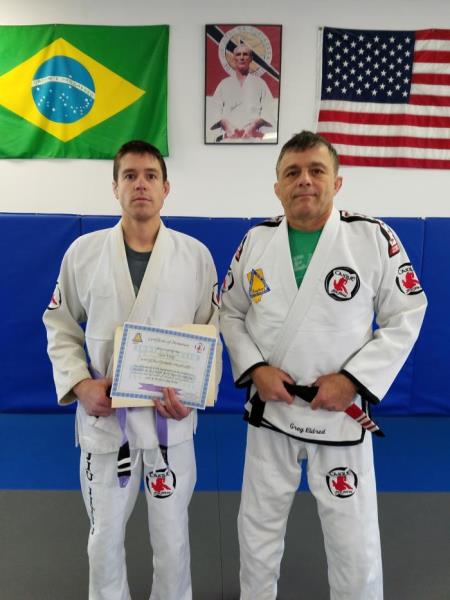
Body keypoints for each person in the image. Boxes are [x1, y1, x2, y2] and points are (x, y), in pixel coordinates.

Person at [219, 131, 427, 599]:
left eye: (316, 170)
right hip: (272, 410)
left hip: (339, 413)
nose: (305, 181)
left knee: (352, 535)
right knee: (257, 527)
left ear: (337, 182)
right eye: (292, 172)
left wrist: (353, 380)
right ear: (277, 187)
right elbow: (229, 312)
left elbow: (408, 312)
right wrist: (256, 369)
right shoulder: (256, 241)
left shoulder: (371, 237)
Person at [43, 140, 221, 600]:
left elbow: (211, 331)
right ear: (115, 187)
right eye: (130, 175)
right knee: (103, 537)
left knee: (173, 537)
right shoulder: (83, 253)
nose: (140, 184)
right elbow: (60, 325)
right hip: (107, 423)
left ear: (166, 188)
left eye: (150, 176)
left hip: (169, 422)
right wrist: (80, 384)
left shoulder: (195, 256)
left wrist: (195, 395)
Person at [209, 42, 276, 142]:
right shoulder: (224, 84)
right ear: (233, 58)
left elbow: (268, 110)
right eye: (238, 54)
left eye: (245, 54)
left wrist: (254, 125)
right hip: (229, 138)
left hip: (253, 138)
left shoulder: (260, 84)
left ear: (251, 59)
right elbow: (214, 110)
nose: (241, 57)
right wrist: (226, 125)